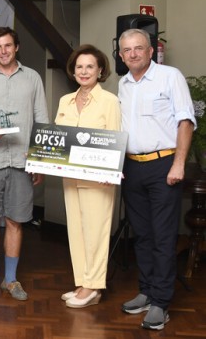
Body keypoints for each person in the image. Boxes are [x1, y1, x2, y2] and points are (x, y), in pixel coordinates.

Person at [118, 28, 195, 331]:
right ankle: (147, 291)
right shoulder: (122, 84)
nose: (133, 54)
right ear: (121, 55)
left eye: (138, 48)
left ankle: (161, 302)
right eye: (127, 50)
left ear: (150, 51)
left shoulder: (169, 76)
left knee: (163, 237)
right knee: (143, 235)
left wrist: (178, 164)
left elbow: (185, 120)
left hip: (164, 166)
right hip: (132, 168)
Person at [0, 26, 49, 301]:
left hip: (22, 161)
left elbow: (42, 119)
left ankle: (11, 279)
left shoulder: (33, 78)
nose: (3, 51)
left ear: (16, 47)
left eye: (7, 46)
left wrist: (39, 161)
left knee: (16, 221)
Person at [54, 45, 120, 308]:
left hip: (99, 178)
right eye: (79, 67)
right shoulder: (65, 101)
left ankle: (93, 286)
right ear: (73, 70)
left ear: (100, 70)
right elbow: (57, 139)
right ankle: (82, 282)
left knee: (96, 231)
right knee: (77, 232)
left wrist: (110, 172)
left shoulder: (110, 101)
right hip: (70, 177)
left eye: (90, 66)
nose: (84, 71)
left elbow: (115, 136)